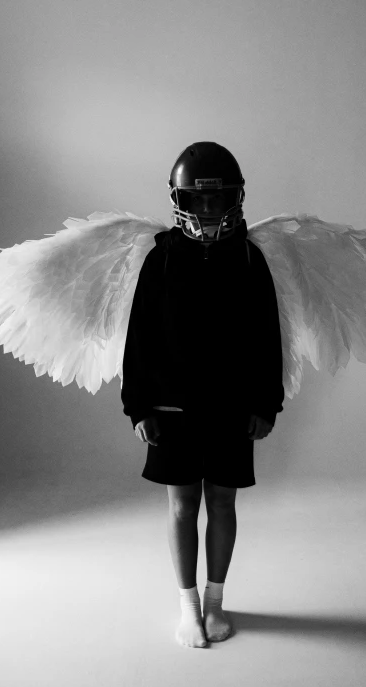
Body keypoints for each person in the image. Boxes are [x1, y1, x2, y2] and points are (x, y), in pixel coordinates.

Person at [121, 142, 285, 647]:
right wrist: (138, 407)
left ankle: (215, 604)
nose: (209, 211)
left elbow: (267, 337)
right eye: (199, 201)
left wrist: (266, 403)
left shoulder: (252, 261)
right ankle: (188, 608)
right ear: (180, 201)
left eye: (218, 201)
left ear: (236, 199)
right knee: (182, 505)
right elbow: (139, 338)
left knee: (223, 502)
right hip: (172, 409)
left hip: (233, 408)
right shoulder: (160, 261)